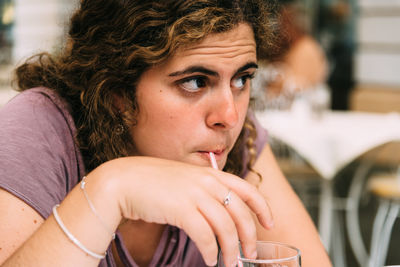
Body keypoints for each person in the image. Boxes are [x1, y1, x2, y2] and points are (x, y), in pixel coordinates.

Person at [0, 0, 331, 266]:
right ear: (117, 90)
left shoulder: (237, 138)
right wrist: (110, 189)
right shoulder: (40, 128)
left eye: (242, 79)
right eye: (196, 82)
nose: (229, 116)